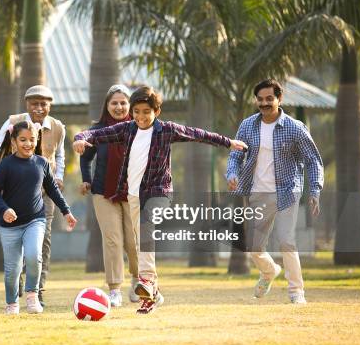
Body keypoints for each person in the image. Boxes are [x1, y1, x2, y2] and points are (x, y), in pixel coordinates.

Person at [73, 86, 247, 314]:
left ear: (157, 111)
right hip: (133, 194)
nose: (140, 117)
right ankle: (152, 293)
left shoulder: (167, 130)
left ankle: (144, 281)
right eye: (136, 111)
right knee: (139, 240)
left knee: (146, 226)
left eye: (146, 111)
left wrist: (228, 142)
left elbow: (198, 134)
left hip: (159, 192)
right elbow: (96, 134)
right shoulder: (126, 129)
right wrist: (79, 138)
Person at [226, 78, 323, 304]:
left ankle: (296, 292)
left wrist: (315, 189)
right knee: (254, 247)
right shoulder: (247, 125)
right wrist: (231, 174)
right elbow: (236, 155)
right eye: (260, 99)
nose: (264, 103)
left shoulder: (295, 128)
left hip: (287, 191)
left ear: (279, 99)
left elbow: (313, 160)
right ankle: (269, 271)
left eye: (269, 98)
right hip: (258, 192)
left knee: (286, 240)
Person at [0, 85, 65, 306]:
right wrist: (9, 149)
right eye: (34, 103)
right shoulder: (13, 123)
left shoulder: (58, 127)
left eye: (43, 103)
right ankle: (17, 283)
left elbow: (60, 156)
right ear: (26, 104)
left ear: (50, 105)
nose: (39, 108)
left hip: (43, 192)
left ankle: (37, 291)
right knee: (15, 244)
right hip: (13, 191)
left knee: (42, 243)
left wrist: (58, 176)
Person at [0, 121, 78, 315]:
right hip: (9, 225)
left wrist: (66, 211)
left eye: (31, 139)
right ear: (13, 141)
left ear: (37, 140)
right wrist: (4, 209)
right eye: (22, 140)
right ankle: (11, 303)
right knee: (12, 269)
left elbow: (53, 191)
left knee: (34, 255)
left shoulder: (41, 163)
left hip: (35, 220)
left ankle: (32, 296)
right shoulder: (5, 165)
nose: (28, 144)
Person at [79, 84, 139, 307]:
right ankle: (114, 289)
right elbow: (85, 158)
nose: (119, 106)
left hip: (132, 193)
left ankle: (137, 281)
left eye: (123, 102)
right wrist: (86, 178)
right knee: (113, 240)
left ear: (130, 105)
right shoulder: (98, 130)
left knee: (133, 242)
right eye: (114, 103)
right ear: (107, 105)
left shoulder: (138, 128)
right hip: (103, 191)